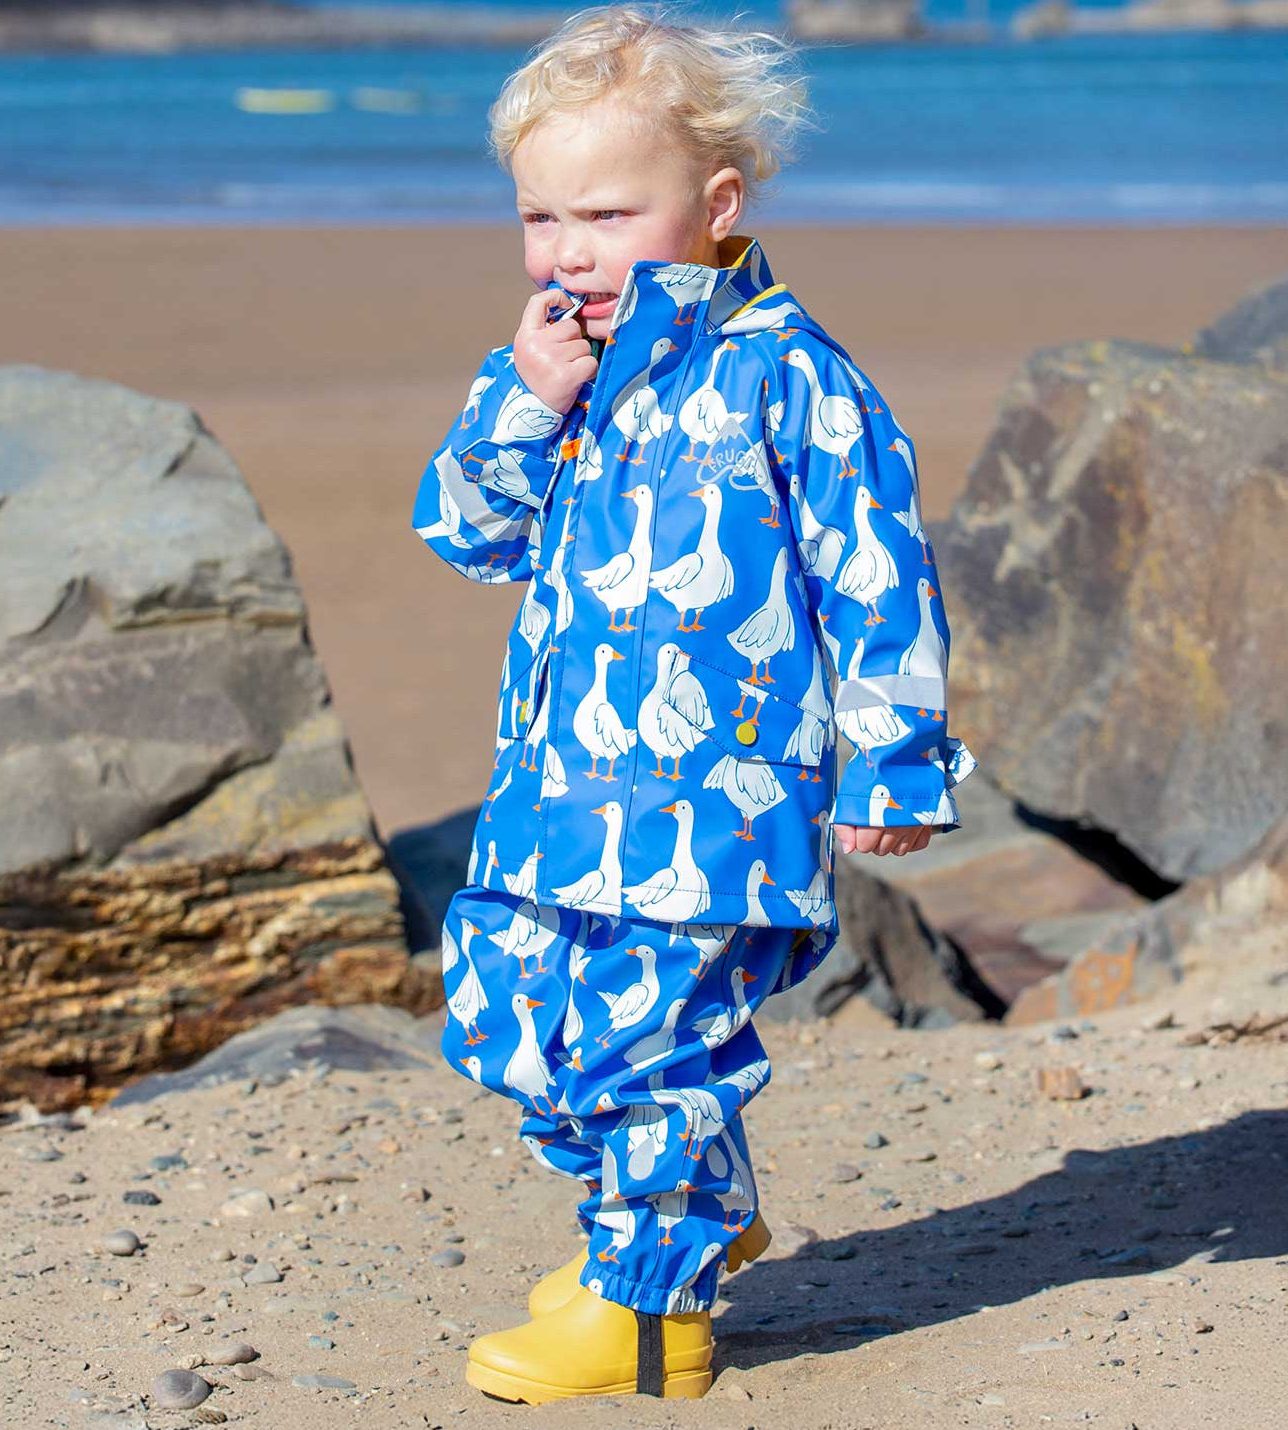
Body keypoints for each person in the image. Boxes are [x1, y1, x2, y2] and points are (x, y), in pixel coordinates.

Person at [410, 1, 977, 1404]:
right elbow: (465, 533)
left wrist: (891, 766)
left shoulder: (792, 377)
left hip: (712, 806)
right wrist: (521, 401)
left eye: (606, 212)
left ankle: (647, 1317)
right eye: (540, 218)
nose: (567, 253)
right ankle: (685, 1223)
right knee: (517, 1012)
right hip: (557, 793)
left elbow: (876, 577)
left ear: (717, 207)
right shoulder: (568, 370)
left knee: (649, 1044)